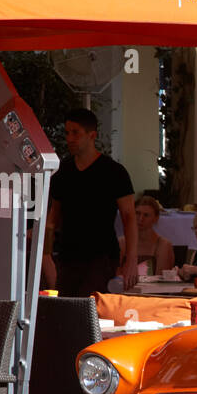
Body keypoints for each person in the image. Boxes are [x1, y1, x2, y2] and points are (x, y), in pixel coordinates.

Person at [47, 108, 137, 295]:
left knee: (89, 306)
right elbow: (53, 216)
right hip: (68, 255)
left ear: (91, 135)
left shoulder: (114, 172)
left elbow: (129, 217)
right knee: (66, 307)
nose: (69, 138)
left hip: (101, 255)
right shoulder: (62, 171)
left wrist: (131, 259)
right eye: (67, 133)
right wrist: (45, 251)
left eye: (75, 133)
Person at [122, 195, 175, 276]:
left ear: (156, 218)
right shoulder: (122, 243)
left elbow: (162, 281)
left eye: (146, 215)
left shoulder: (163, 245)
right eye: (137, 213)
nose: (140, 219)